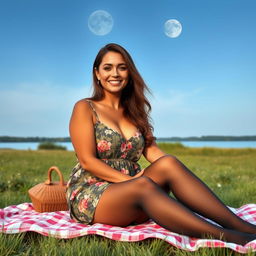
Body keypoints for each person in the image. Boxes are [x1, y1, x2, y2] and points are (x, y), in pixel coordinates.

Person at [66, 43, 256, 245]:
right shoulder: (85, 107)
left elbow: (153, 152)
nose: (115, 73)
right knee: (142, 184)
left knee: (169, 163)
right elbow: (87, 161)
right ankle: (229, 237)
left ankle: (240, 225)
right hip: (93, 194)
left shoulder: (135, 112)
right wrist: (127, 181)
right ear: (97, 73)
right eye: (108, 67)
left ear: (129, 73)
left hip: (134, 192)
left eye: (122, 67)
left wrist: (175, 173)